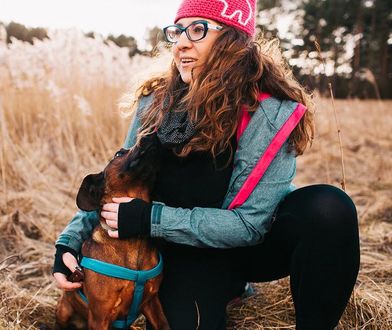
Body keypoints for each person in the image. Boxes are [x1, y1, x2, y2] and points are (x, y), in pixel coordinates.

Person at [53, 0, 360, 329]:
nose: (181, 42)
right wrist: (68, 243)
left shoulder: (273, 114)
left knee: (330, 209)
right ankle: (220, 290)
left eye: (197, 30)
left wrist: (150, 218)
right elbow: (119, 178)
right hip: (180, 253)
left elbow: (249, 225)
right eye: (177, 31)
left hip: (250, 246)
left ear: (233, 40)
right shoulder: (156, 102)